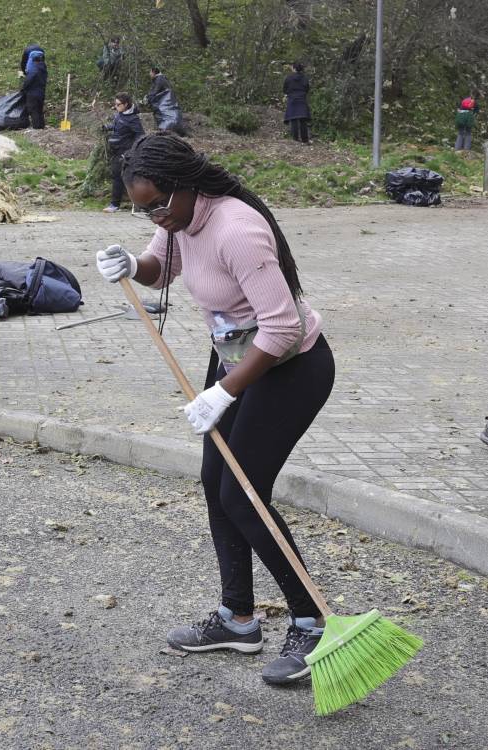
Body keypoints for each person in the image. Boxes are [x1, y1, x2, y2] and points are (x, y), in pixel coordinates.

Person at [94, 133, 332, 686]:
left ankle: (311, 623)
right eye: (143, 209)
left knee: (242, 493)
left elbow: (283, 327)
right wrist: (131, 263)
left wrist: (223, 393)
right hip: (235, 356)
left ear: (186, 185)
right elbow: (161, 267)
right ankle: (237, 618)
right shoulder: (177, 216)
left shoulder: (237, 229)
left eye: (158, 205)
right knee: (215, 481)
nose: (156, 216)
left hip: (290, 367)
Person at [101, 92, 145, 213]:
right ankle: (119, 204)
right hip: (116, 150)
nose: (116, 107)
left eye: (118, 104)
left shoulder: (134, 119)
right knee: (117, 176)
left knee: (123, 177)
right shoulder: (119, 115)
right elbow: (117, 126)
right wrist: (108, 127)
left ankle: (116, 205)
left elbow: (140, 136)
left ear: (126, 104)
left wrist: (131, 151)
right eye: (115, 104)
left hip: (125, 152)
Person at [145, 67, 187, 136]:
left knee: (164, 114)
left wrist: (148, 97)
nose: (149, 74)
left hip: (165, 103)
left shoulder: (159, 79)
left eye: (150, 72)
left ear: (153, 72)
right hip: (167, 102)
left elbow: (155, 91)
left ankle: (166, 128)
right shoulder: (161, 78)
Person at [283, 63, 311, 144]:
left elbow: (284, 89)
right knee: (303, 120)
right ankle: (305, 139)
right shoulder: (305, 78)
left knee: (294, 119)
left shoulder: (288, 78)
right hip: (302, 99)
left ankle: (295, 139)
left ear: (294, 68)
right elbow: (307, 89)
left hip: (292, 99)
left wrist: (289, 93)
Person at [21, 49, 48, 130]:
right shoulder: (43, 67)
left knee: (33, 109)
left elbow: (29, 79)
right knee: (39, 109)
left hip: (33, 92)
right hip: (41, 92)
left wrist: (24, 87)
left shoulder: (33, 68)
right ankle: (41, 126)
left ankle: (36, 127)